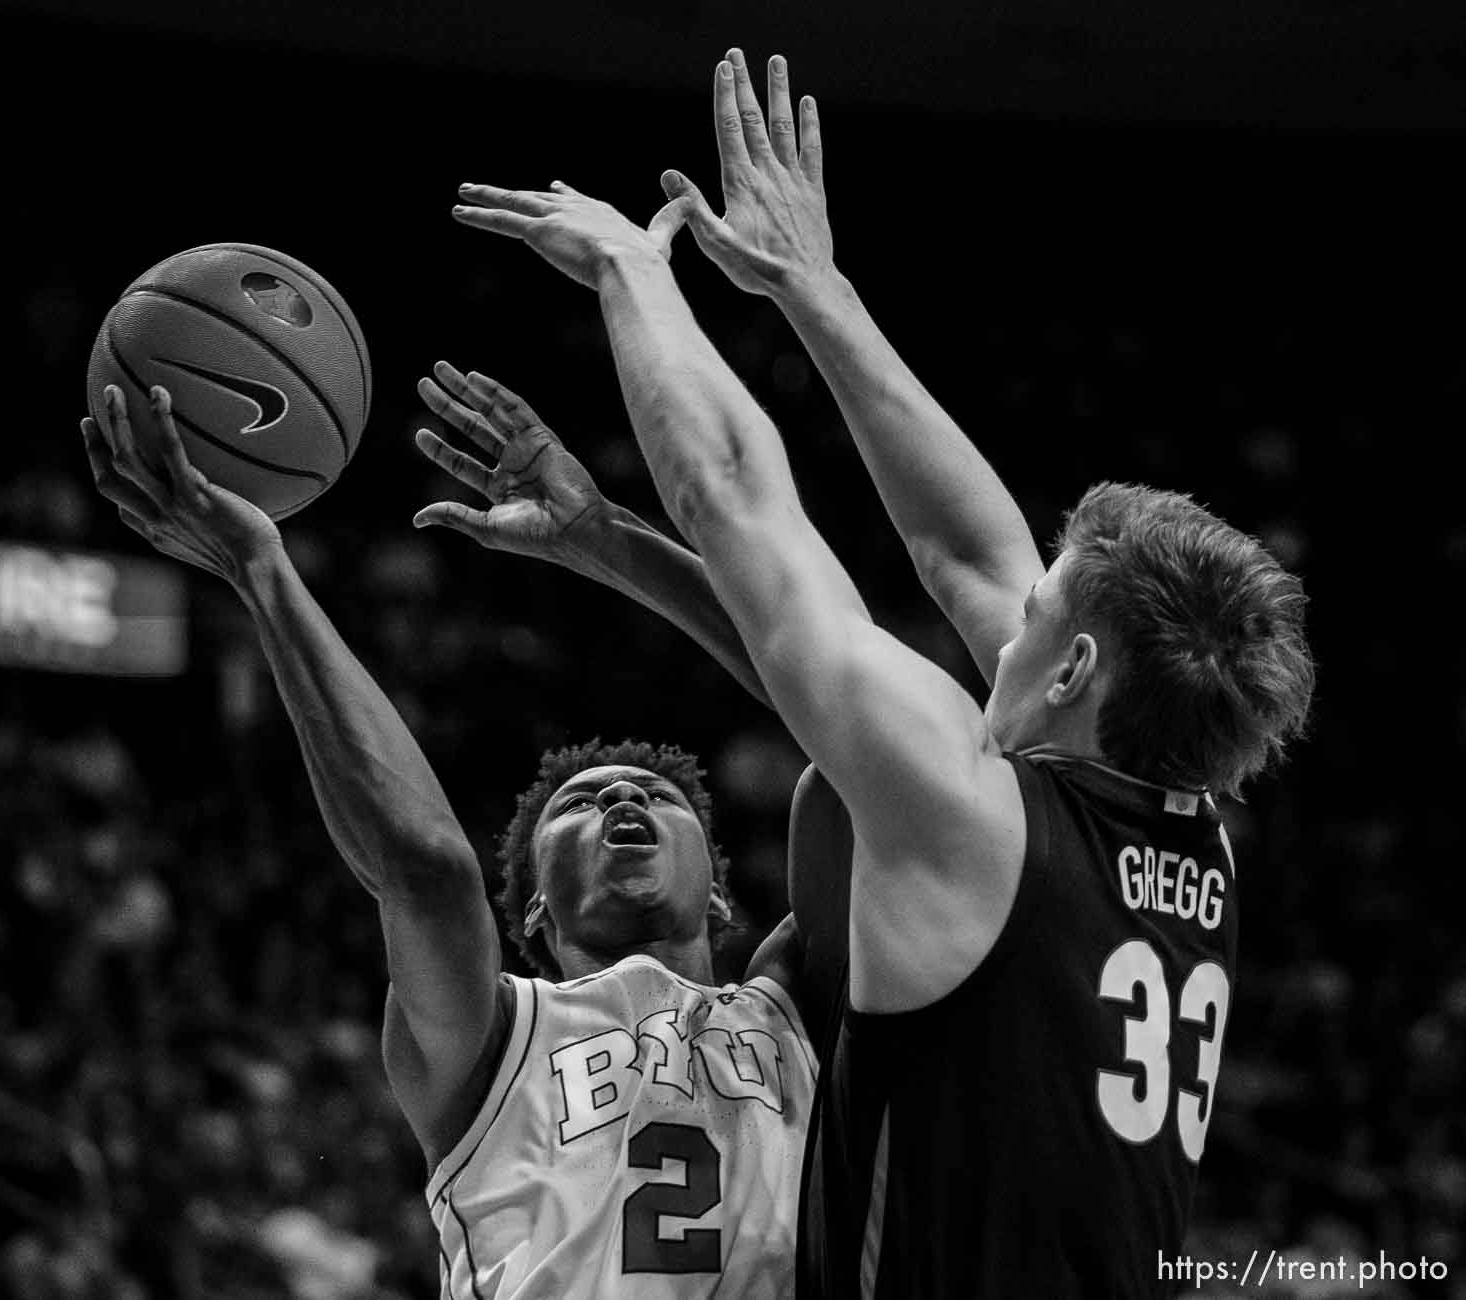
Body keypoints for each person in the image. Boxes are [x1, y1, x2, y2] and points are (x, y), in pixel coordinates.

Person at [451, 44, 1314, 1299]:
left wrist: (638, 276)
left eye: (1033, 620)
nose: (1000, 625)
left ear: (1072, 671)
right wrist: (814, 290)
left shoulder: (977, 816)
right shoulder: (1193, 831)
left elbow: (736, 493)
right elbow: (964, 547)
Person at [82, 381, 834, 1298]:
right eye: (582, 803)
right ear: (532, 907)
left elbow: (851, 717)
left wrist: (606, 536)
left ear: (719, 893)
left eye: (657, 795)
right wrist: (261, 569)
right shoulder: (496, 1032)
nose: (625, 798)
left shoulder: (793, 998)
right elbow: (428, 867)